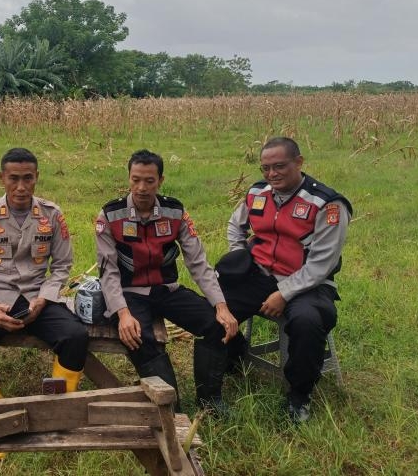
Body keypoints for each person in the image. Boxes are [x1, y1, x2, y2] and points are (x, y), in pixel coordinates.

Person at [217, 136, 352, 424]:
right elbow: (234, 225)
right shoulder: (257, 193)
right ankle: (235, 353)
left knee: (307, 322)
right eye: (265, 168)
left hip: (308, 285)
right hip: (261, 274)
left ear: (299, 162)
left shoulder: (327, 204)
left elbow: (321, 264)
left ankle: (298, 396)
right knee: (213, 305)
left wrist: (285, 293)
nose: (271, 174)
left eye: (279, 166)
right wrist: (240, 256)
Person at [96, 149, 238, 412]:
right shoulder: (110, 215)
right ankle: (170, 408)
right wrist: (122, 313)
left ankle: (210, 400)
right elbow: (108, 272)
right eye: (136, 179)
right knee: (139, 336)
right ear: (128, 178)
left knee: (214, 324)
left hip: (167, 290)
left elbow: (197, 262)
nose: (141, 188)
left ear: (160, 181)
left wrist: (221, 305)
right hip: (129, 294)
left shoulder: (175, 211)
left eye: (149, 181)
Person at [0, 147, 88, 402]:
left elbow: (62, 265)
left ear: (37, 176)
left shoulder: (52, 215)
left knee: (76, 336)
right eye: (13, 178)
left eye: (27, 178)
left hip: (37, 298)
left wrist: (43, 299)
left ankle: (59, 404)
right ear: (1, 178)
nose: (21, 187)